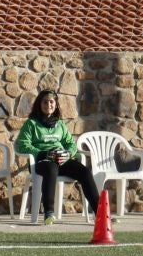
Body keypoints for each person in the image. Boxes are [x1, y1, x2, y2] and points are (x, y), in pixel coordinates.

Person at [13, 88, 101, 225]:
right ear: (39, 104)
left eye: (51, 102)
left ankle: (100, 213)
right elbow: (22, 145)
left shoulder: (60, 124)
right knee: (51, 168)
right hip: (41, 162)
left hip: (61, 160)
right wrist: (44, 153)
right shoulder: (31, 124)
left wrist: (68, 154)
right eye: (45, 102)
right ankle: (49, 213)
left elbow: (71, 144)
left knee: (84, 171)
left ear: (56, 104)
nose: (49, 105)